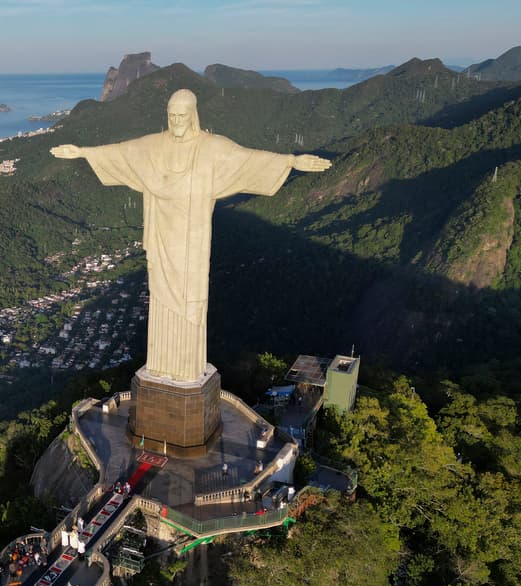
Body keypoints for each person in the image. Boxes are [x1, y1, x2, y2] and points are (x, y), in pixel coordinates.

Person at [51, 90, 330, 382]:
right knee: (160, 297)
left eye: (181, 116)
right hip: (162, 237)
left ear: (193, 115)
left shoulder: (212, 148)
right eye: (171, 116)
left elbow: (248, 159)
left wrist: (290, 161)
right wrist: (82, 152)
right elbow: (122, 152)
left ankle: (186, 369)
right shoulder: (153, 146)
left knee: (189, 303)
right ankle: (162, 367)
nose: (175, 121)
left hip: (191, 243)